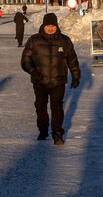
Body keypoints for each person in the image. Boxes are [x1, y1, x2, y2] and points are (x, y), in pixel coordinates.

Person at [21, 12, 81, 146]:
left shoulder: (64, 41)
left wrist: (76, 77)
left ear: (56, 26)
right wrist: (32, 71)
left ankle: (57, 134)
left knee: (57, 108)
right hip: (39, 82)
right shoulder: (34, 40)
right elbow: (25, 60)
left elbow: (72, 60)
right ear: (43, 25)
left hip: (58, 82)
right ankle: (43, 131)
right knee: (40, 107)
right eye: (47, 25)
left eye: (52, 26)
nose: (50, 28)